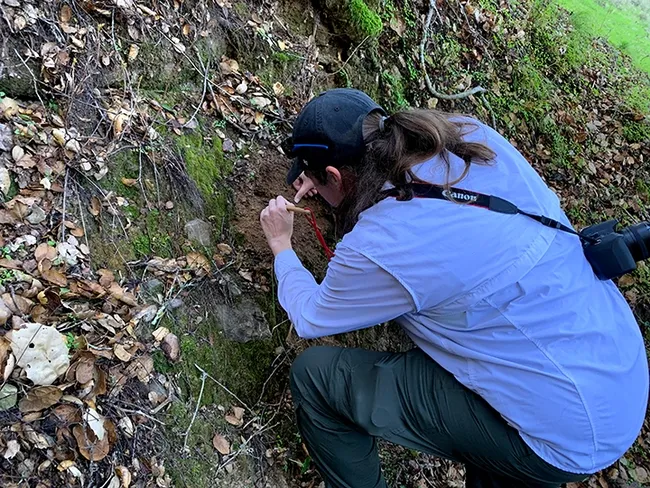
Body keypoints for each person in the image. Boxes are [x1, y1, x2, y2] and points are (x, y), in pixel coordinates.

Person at [258, 88, 649, 488]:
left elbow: (310, 316)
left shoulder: (383, 245)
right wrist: (328, 178)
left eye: (320, 183)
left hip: (565, 429)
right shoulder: (465, 136)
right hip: (616, 368)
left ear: (337, 176)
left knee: (317, 379)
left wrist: (281, 247)